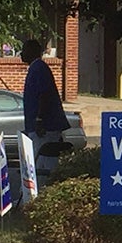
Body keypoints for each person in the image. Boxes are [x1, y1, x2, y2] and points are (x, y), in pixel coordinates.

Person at [21, 38, 70, 175]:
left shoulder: (39, 68)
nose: (21, 54)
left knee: (44, 163)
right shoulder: (35, 68)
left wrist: (39, 120)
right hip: (39, 127)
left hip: (45, 129)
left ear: (32, 51)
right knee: (39, 163)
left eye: (24, 50)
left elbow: (44, 95)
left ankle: (46, 189)